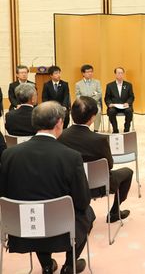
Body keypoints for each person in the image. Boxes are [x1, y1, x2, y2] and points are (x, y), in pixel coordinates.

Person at [0, 101, 94, 274]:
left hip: (22, 229)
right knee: (88, 212)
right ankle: (70, 265)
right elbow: (82, 201)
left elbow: (3, 195)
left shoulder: (9, 155)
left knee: (34, 209)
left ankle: (47, 265)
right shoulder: (71, 157)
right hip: (61, 232)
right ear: (59, 122)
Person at [58, 97, 133, 222]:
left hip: (70, 185)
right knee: (128, 172)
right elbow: (109, 165)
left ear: (71, 114)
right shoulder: (99, 139)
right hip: (98, 186)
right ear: (93, 118)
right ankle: (114, 212)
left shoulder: (61, 136)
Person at [104, 67, 135, 133]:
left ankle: (126, 129)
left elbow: (131, 97)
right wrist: (110, 104)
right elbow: (107, 97)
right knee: (111, 111)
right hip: (114, 106)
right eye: (118, 73)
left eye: (122, 73)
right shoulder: (109, 85)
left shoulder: (128, 85)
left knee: (129, 111)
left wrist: (128, 103)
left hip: (125, 106)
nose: (120, 74)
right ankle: (115, 130)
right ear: (115, 74)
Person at [75, 64, 102, 132]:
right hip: (83, 104)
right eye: (88, 72)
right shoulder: (78, 84)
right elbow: (78, 95)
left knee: (98, 111)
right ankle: (83, 129)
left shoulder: (97, 82)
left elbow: (99, 94)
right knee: (80, 111)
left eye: (91, 71)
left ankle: (96, 130)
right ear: (83, 73)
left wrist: (91, 101)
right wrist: (84, 102)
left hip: (95, 103)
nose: (90, 73)